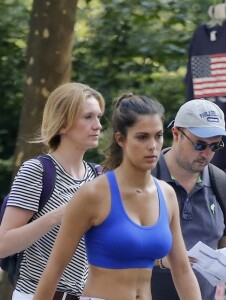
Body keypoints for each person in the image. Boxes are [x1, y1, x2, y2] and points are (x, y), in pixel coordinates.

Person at [33, 93, 202, 300]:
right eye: (142, 137)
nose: (153, 146)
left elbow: (182, 270)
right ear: (120, 139)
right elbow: (54, 270)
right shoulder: (93, 194)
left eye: (158, 135)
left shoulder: (166, 194)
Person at [0, 82, 105, 300]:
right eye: (88, 117)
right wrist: (59, 215)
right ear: (62, 124)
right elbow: (3, 244)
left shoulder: (98, 176)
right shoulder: (38, 171)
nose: (98, 125)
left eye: (99, 117)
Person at [151, 99, 226, 300]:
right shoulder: (145, 178)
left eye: (216, 146)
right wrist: (163, 261)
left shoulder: (221, 183)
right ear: (176, 134)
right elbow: (114, 246)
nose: (206, 153)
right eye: (199, 144)